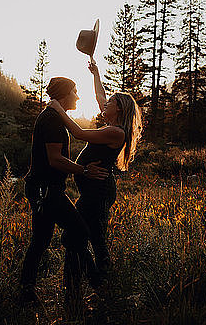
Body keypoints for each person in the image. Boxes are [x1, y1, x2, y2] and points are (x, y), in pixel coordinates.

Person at [49, 60, 142, 279]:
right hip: (92, 191)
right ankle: (94, 279)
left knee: (95, 238)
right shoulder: (112, 124)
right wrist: (96, 74)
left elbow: (79, 133)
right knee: (80, 235)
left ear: (118, 109)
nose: (104, 104)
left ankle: (102, 281)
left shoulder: (117, 132)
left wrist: (58, 109)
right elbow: (101, 98)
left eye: (110, 103)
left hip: (98, 192)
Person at [19, 76, 107, 306]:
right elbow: (55, 160)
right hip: (46, 191)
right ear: (64, 94)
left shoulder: (53, 116)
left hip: (43, 188)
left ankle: (26, 290)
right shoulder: (52, 120)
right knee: (79, 231)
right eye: (75, 92)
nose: (78, 96)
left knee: (41, 239)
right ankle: (89, 286)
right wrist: (83, 170)